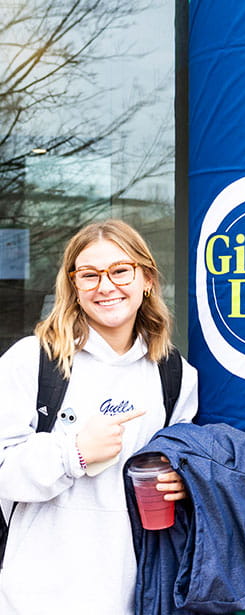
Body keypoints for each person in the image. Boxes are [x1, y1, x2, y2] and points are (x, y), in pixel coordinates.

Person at [0, 219, 198, 614]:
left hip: (135, 592)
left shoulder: (175, 374)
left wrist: (183, 481)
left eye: (120, 271)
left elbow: (180, 461)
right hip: (38, 595)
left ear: (147, 279)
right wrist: (73, 453)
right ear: (74, 286)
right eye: (89, 275)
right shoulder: (32, 360)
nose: (105, 286)